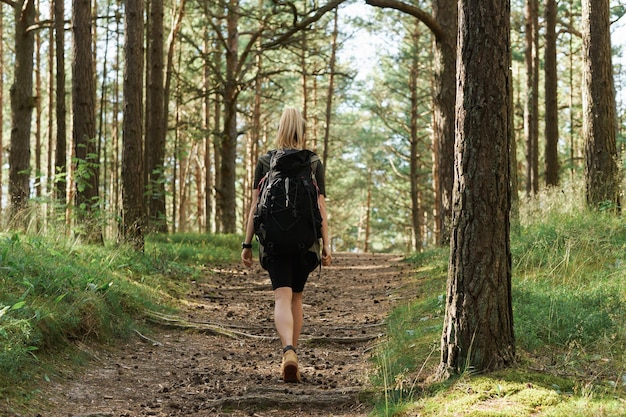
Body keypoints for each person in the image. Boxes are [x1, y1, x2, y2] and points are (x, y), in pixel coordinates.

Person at [241, 107, 332, 383]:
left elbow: (256, 205)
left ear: (280, 129)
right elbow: (321, 206)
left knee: (281, 295)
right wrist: (327, 244)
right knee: (296, 297)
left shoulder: (266, 161)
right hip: (305, 241)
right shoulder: (313, 162)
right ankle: (294, 352)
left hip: (275, 241)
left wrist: (246, 243)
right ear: (301, 131)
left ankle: (288, 351)